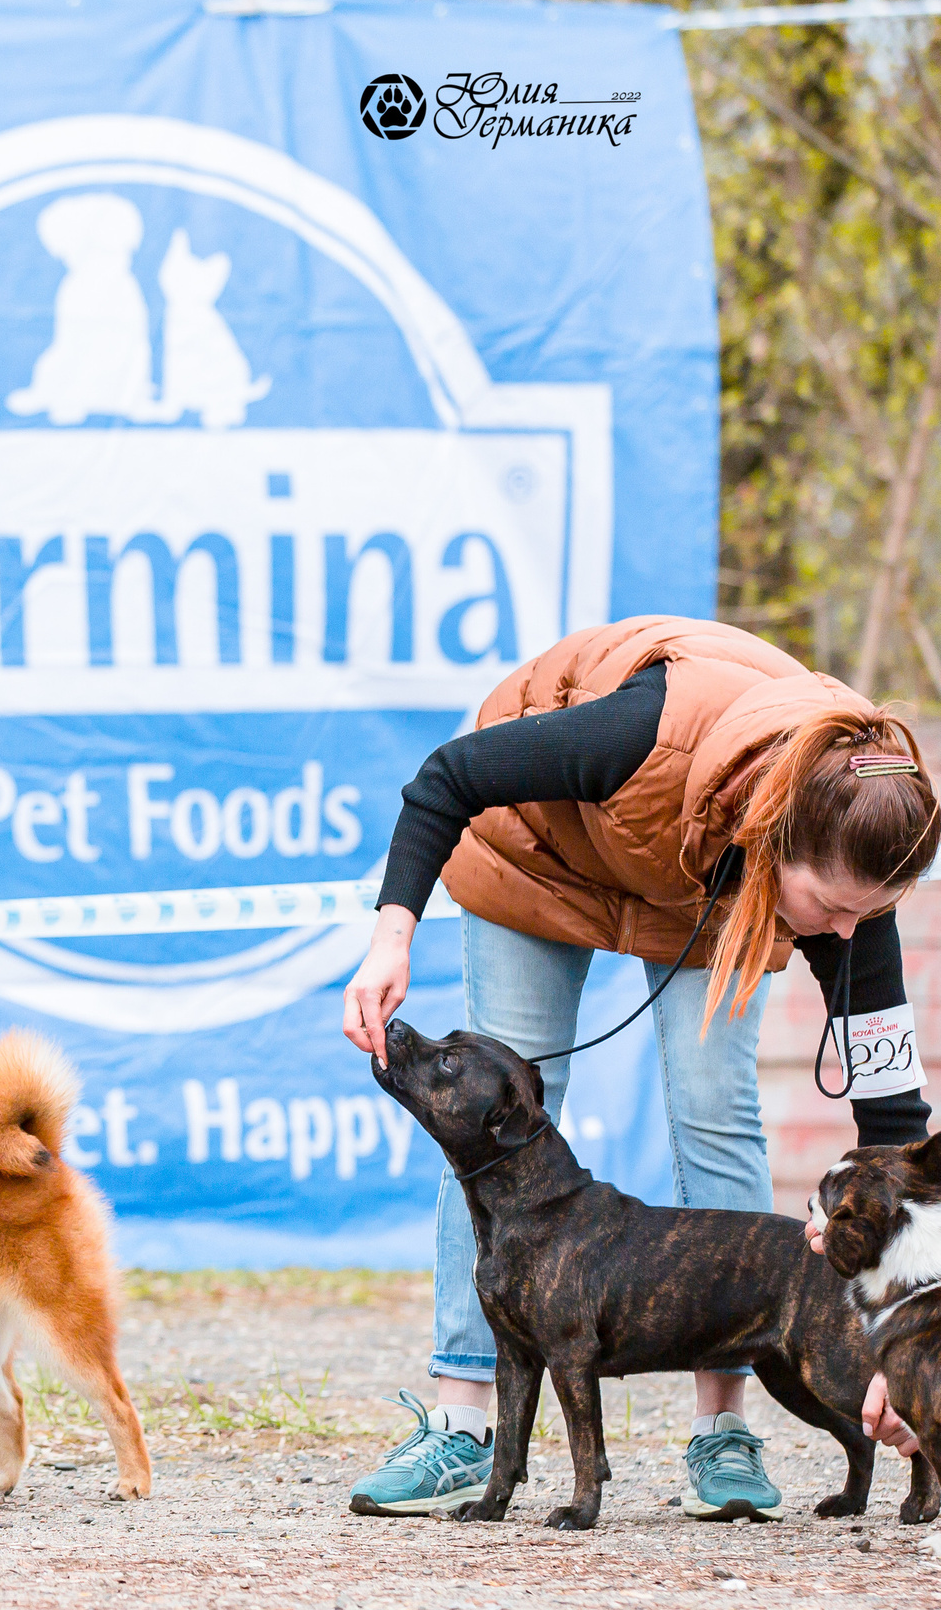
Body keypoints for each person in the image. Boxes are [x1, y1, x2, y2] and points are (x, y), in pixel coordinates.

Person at [340, 617, 939, 1521]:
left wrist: (905, 1333)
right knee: (496, 1112)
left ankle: (723, 1431)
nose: (850, 934)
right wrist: (391, 940)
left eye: (873, 913)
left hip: (708, 884)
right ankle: (462, 1421)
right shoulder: (635, 735)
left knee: (714, 1103)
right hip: (538, 847)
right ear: (781, 833)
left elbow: (895, 1125)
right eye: (836, 908)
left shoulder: (856, 867)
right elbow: (446, 778)